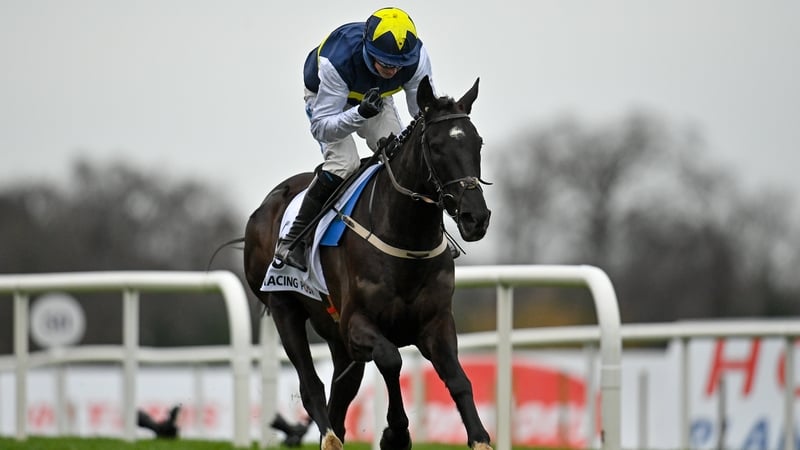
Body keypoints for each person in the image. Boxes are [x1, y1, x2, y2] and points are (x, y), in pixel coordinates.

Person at [274, 7, 435, 271]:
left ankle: (424, 233)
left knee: (400, 155)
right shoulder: (336, 62)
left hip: (374, 98)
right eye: (385, 63)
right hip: (327, 100)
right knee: (344, 164)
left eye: (399, 65)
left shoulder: (416, 59)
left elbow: (422, 113)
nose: (393, 71)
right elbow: (322, 129)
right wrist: (359, 114)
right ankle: (292, 239)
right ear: (368, 51)